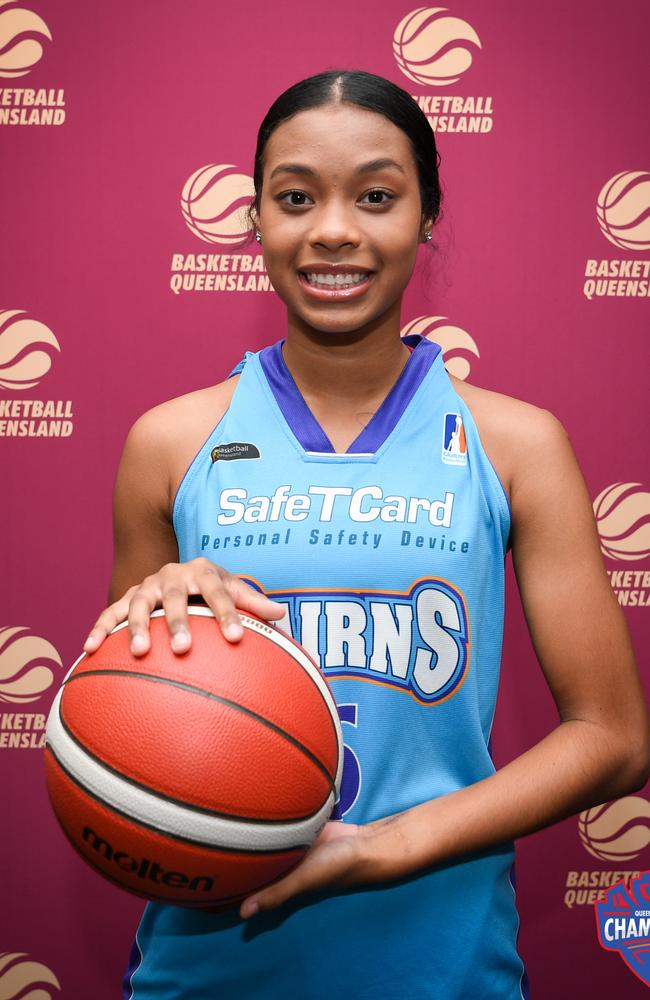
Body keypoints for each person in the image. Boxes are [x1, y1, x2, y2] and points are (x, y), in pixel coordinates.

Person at [83, 69, 650, 999]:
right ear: (255, 218)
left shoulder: (516, 445)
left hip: (441, 962)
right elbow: (119, 718)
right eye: (296, 197)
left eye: (377, 196)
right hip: (207, 965)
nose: (334, 230)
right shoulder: (171, 441)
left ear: (427, 216)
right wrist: (142, 620)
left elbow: (614, 737)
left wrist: (392, 845)